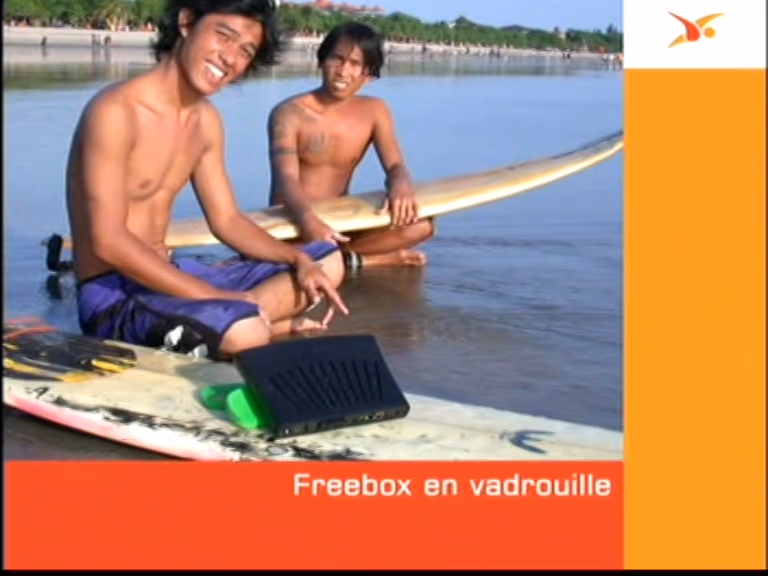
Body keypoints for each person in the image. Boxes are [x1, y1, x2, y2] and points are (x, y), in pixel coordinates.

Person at [66, 0, 349, 363]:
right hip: (113, 293)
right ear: (186, 22)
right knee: (244, 331)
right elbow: (108, 242)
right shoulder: (116, 111)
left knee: (327, 263)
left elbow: (227, 220)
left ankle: (242, 321)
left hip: (170, 275)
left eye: (245, 51)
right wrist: (215, 296)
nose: (230, 58)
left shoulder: (206, 121)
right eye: (223, 36)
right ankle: (250, 323)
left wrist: (297, 258)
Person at [266, 21, 435, 270]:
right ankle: (362, 259)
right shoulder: (289, 113)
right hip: (291, 222)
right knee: (296, 255)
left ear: (367, 74)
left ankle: (342, 258)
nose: (343, 71)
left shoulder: (375, 111)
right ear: (321, 60)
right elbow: (287, 179)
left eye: (355, 64)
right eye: (337, 59)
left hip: (341, 219)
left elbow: (395, 165)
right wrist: (307, 220)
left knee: (421, 226)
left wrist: (400, 185)